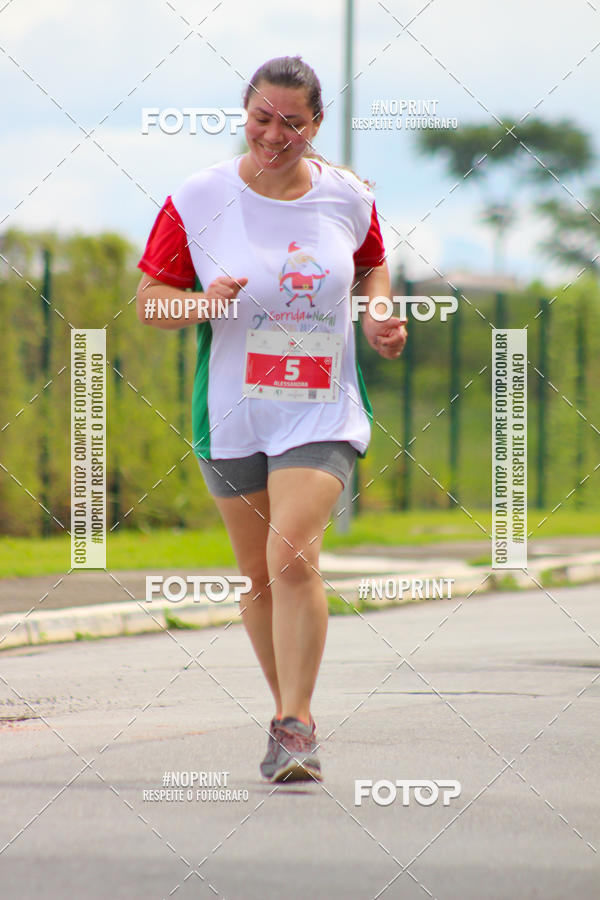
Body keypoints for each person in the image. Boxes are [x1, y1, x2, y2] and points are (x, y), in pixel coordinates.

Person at [136, 55, 407, 783]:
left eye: (293, 122)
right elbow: (151, 302)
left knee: (292, 557)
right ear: (245, 114)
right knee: (257, 575)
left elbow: (374, 262)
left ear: (316, 125)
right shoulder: (199, 198)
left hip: (319, 409)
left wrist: (378, 312)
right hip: (232, 415)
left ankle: (298, 725)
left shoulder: (347, 196)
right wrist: (201, 303)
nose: (275, 134)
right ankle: (284, 713)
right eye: (262, 118)